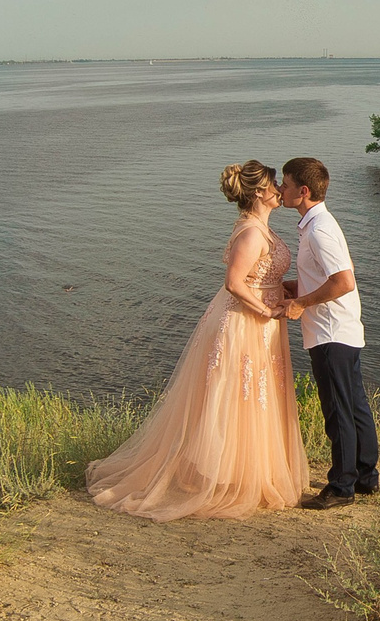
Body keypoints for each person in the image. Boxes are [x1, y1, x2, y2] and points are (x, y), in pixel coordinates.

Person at [85, 161, 307, 519]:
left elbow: (264, 275)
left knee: (258, 393)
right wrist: (264, 310)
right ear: (257, 193)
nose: (280, 189)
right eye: (273, 185)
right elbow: (234, 283)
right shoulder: (251, 233)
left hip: (263, 321)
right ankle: (223, 477)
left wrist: (292, 291)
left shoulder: (262, 229)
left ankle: (245, 471)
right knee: (236, 393)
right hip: (243, 322)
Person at [280, 156, 379, 508]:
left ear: (303, 191)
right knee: (355, 406)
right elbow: (329, 276)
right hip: (342, 328)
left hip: (330, 332)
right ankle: (366, 477)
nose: (280, 189)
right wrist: (295, 286)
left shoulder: (320, 230)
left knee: (338, 410)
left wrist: (301, 302)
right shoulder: (318, 225)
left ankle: (341, 487)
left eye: (286, 184)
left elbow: (343, 281)